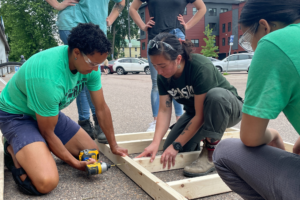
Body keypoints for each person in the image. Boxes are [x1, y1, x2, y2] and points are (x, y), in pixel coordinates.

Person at [1, 23, 128, 195]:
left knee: (91, 152)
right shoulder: (48, 77)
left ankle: (33, 147)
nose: (96, 69)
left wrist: (114, 145)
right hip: (17, 115)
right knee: (46, 182)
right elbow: (48, 133)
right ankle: (12, 151)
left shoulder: (90, 66)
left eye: (100, 63)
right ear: (76, 53)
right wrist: (75, 164)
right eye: (93, 63)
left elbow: (101, 108)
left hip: (44, 113)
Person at [213, 0, 300, 199]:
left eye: (247, 38)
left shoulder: (273, 42)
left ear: (264, 26)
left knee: (225, 151)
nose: (250, 45)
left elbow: (251, 137)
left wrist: (274, 136)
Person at [136, 33, 243, 177]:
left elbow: (201, 115)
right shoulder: (163, 76)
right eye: (154, 66)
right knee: (170, 149)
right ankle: (200, 139)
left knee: (215, 96)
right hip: (197, 113)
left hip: (227, 109)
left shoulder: (200, 67)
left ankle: (211, 153)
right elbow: (163, 110)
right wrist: (156, 143)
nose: (159, 71)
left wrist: (177, 144)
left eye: (162, 66)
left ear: (178, 59)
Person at [46, 0, 125, 143]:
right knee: (83, 71)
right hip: (72, 21)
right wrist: (57, 5)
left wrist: (110, 20)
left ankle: (86, 123)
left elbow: (121, 2)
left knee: (88, 74)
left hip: (97, 26)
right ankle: (91, 123)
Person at [129, 0, 207, 132]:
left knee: (178, 80)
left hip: (177, 35)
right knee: (156, 82)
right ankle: (156, 121)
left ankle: (179, 120)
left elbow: (202, 8)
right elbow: (132, 9)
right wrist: (143, 26)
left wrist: (187, 25)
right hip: (155, 36)